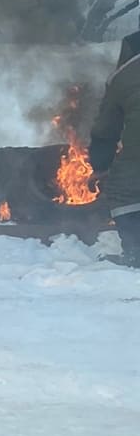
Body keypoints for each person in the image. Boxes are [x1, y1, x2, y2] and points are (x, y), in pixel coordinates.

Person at [89, 29, 140, 264]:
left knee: (123, 189)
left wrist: (101, 166)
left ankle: (136, 252)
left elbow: (105, 132)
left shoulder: (123, 76)